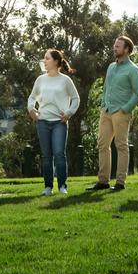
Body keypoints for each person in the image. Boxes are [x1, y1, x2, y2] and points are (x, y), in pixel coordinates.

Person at [88, 36, 138, 192]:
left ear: (127, 50)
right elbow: (106, 88)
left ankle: (120, 182)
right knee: (102, 145)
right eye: (114, 45)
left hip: (121, 112)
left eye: (118, 46)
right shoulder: (111, 67)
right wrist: (103, 104)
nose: (114, 48)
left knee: (121, 145)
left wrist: (125, 109)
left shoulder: (133, 69)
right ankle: (103, 181)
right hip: (106, 111)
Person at [28, 49, 81, 195]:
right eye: (44, 59)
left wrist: (69, 113)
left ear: (56, 61)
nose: (44, 61)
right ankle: (48, 187)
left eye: (47, 59)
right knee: (46, 156)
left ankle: (62, 186)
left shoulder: (65, 80)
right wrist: (31, 109)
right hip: (42, 122)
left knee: (59, 154)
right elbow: (32, 98)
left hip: (59, 123)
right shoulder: (40, 79)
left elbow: (76, 99)